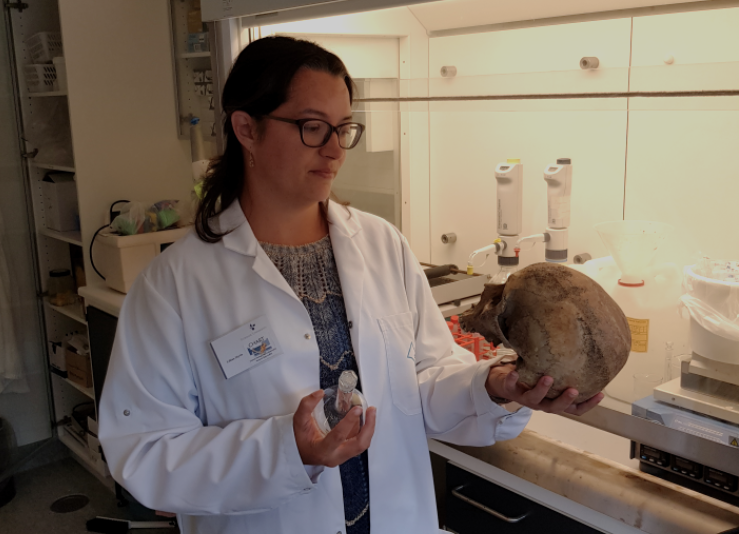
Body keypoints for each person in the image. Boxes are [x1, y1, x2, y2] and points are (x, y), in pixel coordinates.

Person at [98, 36, 603, 534]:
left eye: (343, 128)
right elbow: (145, 452)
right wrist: (287, 451)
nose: (335, 149)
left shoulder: (382, 244)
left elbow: (423, 383)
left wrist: (492, 388)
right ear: (246, 128)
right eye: (313, 127)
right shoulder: (173, 285)